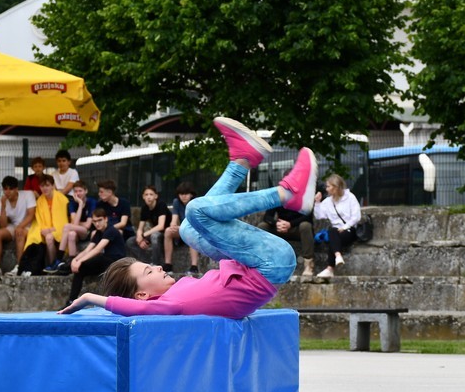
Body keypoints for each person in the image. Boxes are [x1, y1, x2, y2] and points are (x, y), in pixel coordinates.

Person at [59, 117, 317, 319]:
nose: (158, 266)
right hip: (270, 264)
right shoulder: (169, 305)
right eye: (149, 270)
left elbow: (134, 302)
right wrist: (91, 298)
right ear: (142, 294)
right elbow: (133, 309)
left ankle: (242, 160)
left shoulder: (172, 295)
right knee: (195, 210)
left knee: (187, 229)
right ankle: (288, 193)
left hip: (248, 265)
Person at [65, 206, 127, 306]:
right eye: (94, 221)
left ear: (106, 219)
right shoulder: (98, 233)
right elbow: (87, 249)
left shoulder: (111, 230)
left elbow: (97, 249)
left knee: (97, 258)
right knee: (80, 269)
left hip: (117, 263)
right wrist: (75, 260)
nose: (97, 223)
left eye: (100, 220)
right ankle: (71, 301)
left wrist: (80, 261)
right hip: (105, 262)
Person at [312, 173, 362, 278]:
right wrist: (317, 202)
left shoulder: (350, 197)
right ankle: (337, 257)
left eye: (328, 186)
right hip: (335, 232)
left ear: (335, 187)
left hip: (349, 230)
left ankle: (330, 268)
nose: (326, 189)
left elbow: (356, 216)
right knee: (332, 232)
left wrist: (344, 227)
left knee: (332, 235)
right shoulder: (328, 202)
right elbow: (319, 216)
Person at [258, 200, 315, 277]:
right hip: (280, 228)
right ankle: (261, 262)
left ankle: (308, 264)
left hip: (296, 228)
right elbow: (267, 216)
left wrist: (290, 224)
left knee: (306, 226)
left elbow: (308, 217)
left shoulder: (303, 197)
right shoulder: (280, 197)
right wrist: (276, 224)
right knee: (262, 226)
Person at [0, 176, 37, 276]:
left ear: (17, 189)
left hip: (29, 225)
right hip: (14, 226)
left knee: (19, 233)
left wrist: (21, 226)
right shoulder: (2, 201)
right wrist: (3, 207)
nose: (8, 191)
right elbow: (3, 225)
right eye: (5, 189)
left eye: (11, 189)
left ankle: (19, 266)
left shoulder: (27, 195)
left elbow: (31, 214)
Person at [26, 174, 70, 274]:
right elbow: (39, 219)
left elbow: (63, 219)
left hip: (61, 228)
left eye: (47, 185)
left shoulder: (62, 199)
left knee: (49, 236)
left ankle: (53, 265)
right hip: (47, 229)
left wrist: (50, 229)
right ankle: (52, 264)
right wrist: (44, 229)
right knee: (47, 237)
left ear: (53, 186)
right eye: (42, 186)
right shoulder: (40, 201)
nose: (45, 188)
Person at [57, 180, 96, 271]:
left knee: (67, 226)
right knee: (71, 234)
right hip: (77, 233)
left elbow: (87, 225)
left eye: (80, 191)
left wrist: (77, 223)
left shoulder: (92, 202)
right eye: (75, 191)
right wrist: (80, 205)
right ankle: (71, 261)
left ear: (86, 191)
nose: (78, 193)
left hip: (87, 232)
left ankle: (58, 258)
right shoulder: (72, 202)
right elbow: (75, 224)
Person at [163, 181, 201, 275]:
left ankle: (194, 266)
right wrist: (172, 226)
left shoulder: (196, 203)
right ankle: (168, 265)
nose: (183, 196)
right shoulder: (176, 202)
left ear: (191, 194)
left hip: (195, 229)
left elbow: (196, 223)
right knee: (168, 231)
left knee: (192, 232)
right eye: (181, 194)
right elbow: (174, 218)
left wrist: (181, 227)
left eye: (186, 194)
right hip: (182, 228)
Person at [135, 184, 170, 266]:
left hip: (165, 233)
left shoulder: (161, 205)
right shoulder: (144, 208)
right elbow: (140, 227)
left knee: (154, 236)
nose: (148, 197)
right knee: (130, 242)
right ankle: (145, 262)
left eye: (151, 194)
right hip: (152, 233)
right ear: (143, 197)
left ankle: (156, 264)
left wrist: (143, 235)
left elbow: (161, 226)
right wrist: (139, 237)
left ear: (156, 196)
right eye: (146, 195)